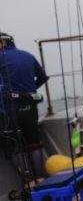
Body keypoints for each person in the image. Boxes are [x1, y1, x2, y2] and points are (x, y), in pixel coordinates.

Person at [0, 32, 48, 198]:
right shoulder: (28, 55)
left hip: (8, 110)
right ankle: (42, 180)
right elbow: (42, 77)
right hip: (30, 107)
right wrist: (30, 90)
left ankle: (29, 183)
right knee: (34, 143)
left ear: (2, 43)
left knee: (15, 146)